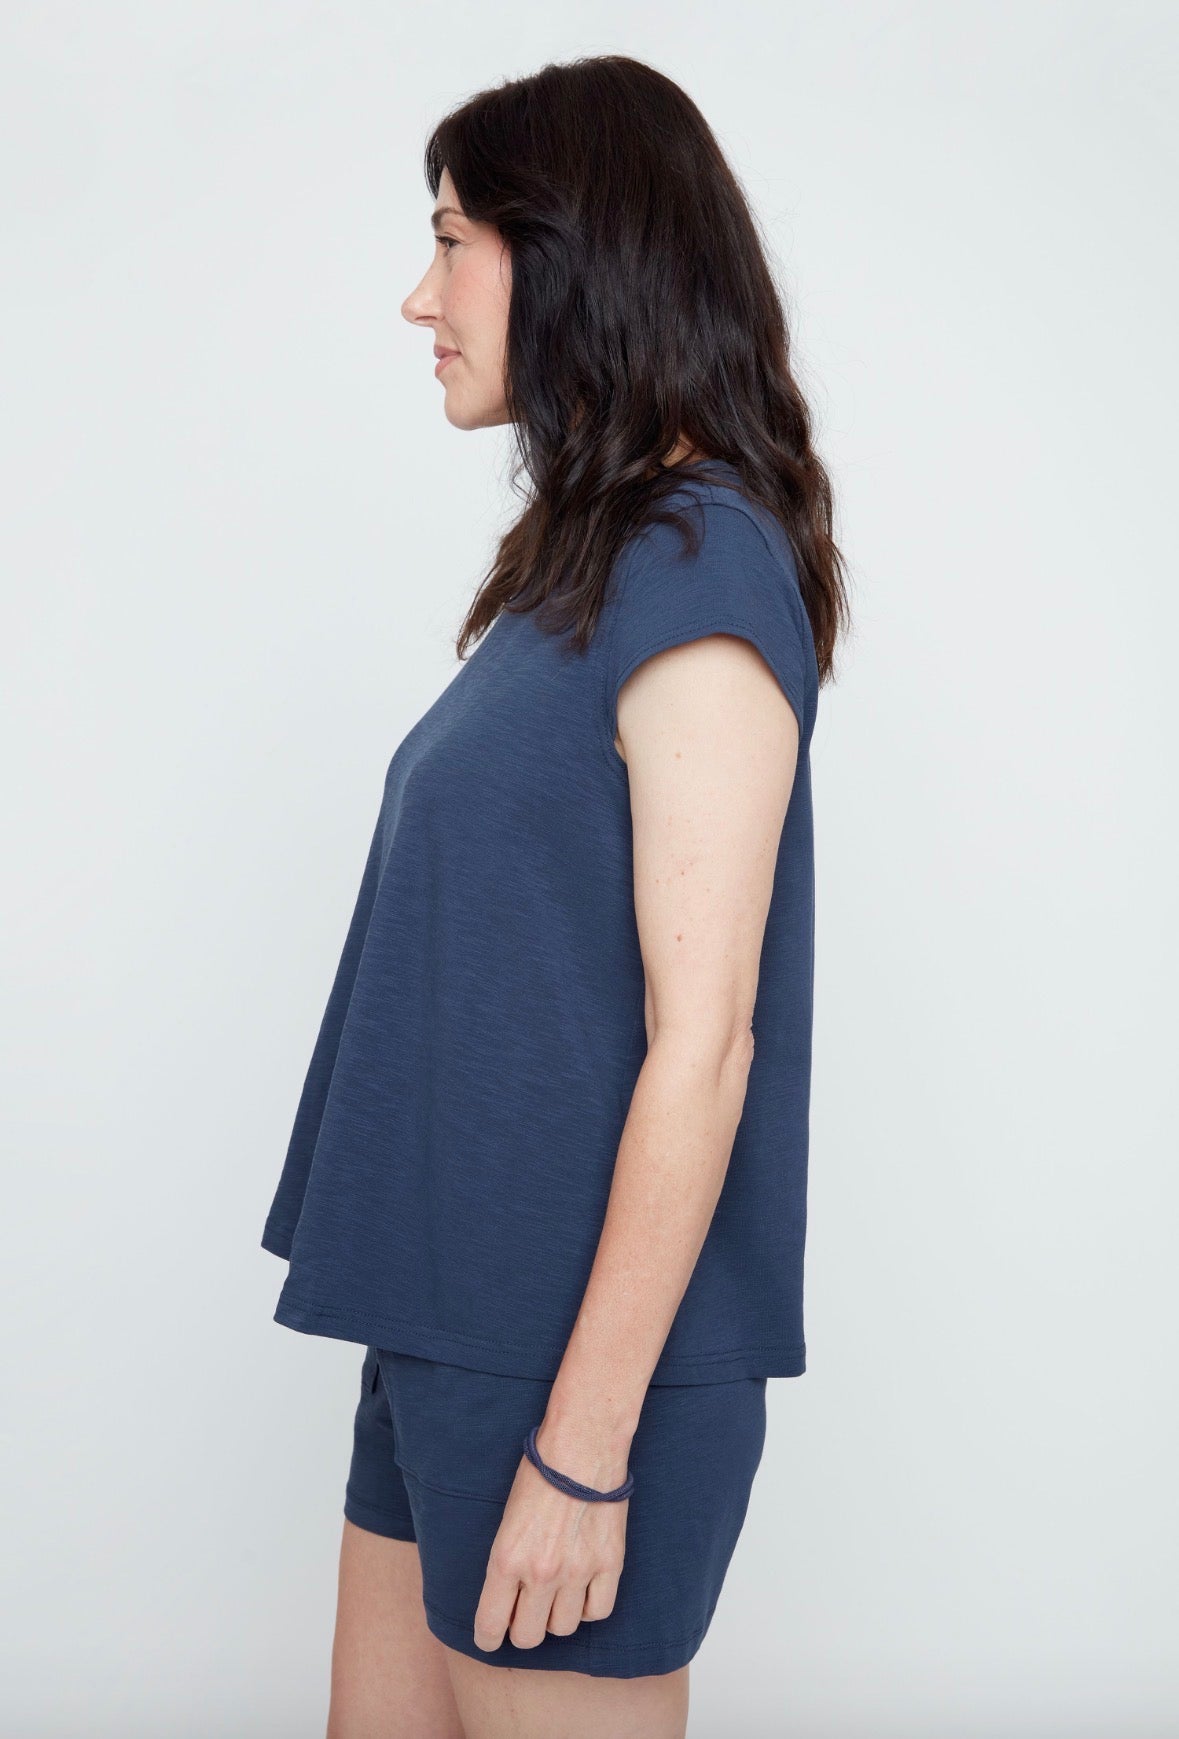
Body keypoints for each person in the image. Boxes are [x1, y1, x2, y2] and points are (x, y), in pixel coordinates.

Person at [260, 53, 849, 1739]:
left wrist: (585, 1451)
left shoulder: (703, 568)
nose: (419, 296)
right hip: (448, 1321)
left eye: (453, 242)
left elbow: (704, 1048)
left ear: (573, 255)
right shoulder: (593, 567)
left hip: (566, 1373)